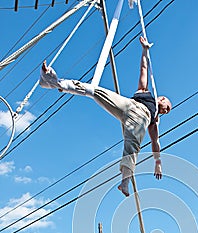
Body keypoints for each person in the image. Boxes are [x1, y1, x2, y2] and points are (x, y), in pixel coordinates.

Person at [39, 36, 172, 197]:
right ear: (163, 99)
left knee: (132, 147)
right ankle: (54, 81)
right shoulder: (145, 92)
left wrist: (157, 162)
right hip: (129, 105)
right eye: (167, 108)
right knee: (95, 91)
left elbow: (155, 142)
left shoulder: (155, 119)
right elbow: (143, 69)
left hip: (140, 120)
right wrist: (144, 50)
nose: (166, 111)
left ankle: (125, 182)